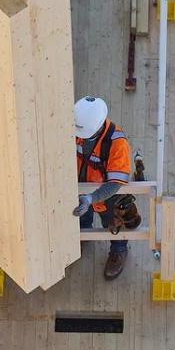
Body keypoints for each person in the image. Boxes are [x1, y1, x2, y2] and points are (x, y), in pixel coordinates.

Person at [73, 96, 132, 280]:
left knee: (113, 223)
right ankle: (83, 236)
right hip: (79, 186)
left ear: (98, 126)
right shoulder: (77, 126)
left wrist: (91, 197)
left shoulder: (117, 143)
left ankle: (118, 250)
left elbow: (115, 184)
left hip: (107, 194)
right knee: (82, 217)